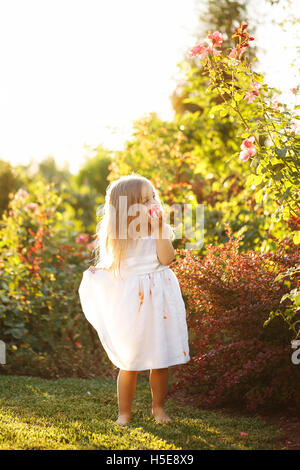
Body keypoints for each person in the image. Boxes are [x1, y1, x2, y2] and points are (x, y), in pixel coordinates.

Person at [78, 174, 190, 425]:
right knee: (129, 361)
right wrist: (101, 273)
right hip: (134, 303)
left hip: (159, 300)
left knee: (160, 360)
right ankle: (124, 413)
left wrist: (160, 227)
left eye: (153, 197)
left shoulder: (158, 230)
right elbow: (116, 267)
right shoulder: (119, 236)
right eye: (144, 200)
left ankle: (158, 408)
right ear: (127, 209)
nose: (153, 203)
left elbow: (166, 259)